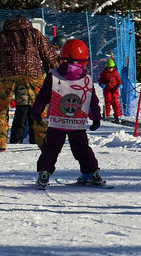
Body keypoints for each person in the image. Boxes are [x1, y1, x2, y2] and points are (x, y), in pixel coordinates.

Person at [0, 17, 59, 152]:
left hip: (4, 73)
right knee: (40, 106)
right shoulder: (34, 33)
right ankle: (45, 141)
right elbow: (48, 55)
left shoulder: (1, 36)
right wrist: (57, 74)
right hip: (32, 72)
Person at [32, 39, 105, 188]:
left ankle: (44, 172)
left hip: (57, 122)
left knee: (50, 148)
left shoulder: (53, 76)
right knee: (82, 148)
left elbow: (43, 96)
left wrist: (36, 111)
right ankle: (91, 173)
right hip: (77, 123)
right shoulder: (86, 80)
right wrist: (96, 118)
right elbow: (92, 102)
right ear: (84, 60)